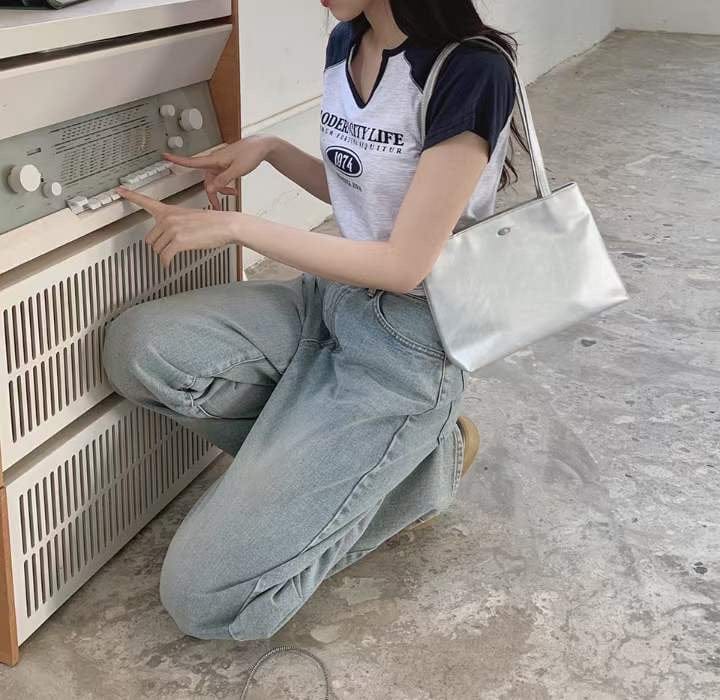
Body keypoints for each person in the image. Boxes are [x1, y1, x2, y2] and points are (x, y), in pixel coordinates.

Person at [102, 0, 519, 641]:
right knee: (139, 348)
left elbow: (405, 263)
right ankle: (357, 460)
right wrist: (271, 150)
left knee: (207, 599)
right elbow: (366, 185)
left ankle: (424, 465)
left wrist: (239, 227)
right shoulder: (348, 42)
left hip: (406, 343)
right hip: (327, 301)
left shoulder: (472, 71)